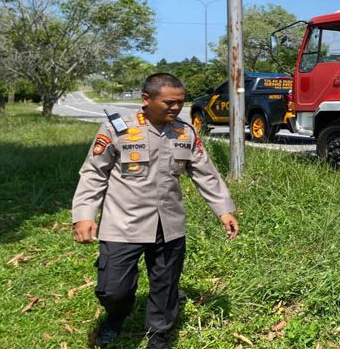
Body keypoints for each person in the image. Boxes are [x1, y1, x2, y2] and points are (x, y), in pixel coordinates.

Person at [72, 73, 239, 349]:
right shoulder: (118, 129)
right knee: (112, 290)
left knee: (165, 285)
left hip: (169, 225)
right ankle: (116, 315)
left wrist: (223, 210)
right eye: (169, 103)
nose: (176, 108)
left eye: (180, 102)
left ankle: (158, 335)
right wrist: (84, 214)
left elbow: (205, 174)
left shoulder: (185, 132)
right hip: (123, 223)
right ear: (146, 99)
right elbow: (94, 173)